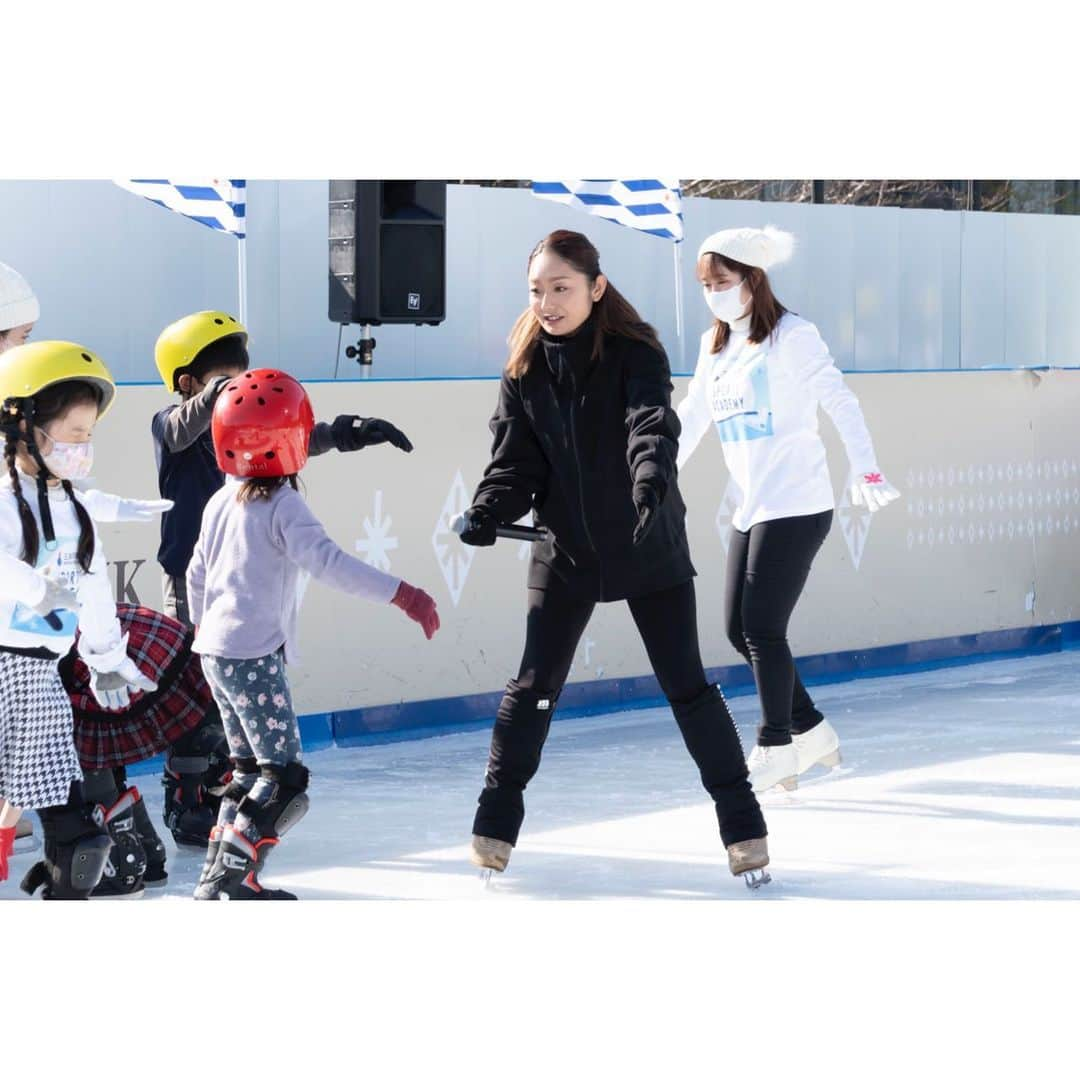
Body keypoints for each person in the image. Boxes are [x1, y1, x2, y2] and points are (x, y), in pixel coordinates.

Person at [455, 229, 769, 888]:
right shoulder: (525, 366)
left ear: (596, 289)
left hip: (644, 538)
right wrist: (489, 509)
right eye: (537, 290)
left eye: (561, 288)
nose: (547, 302)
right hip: (563, 549)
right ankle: (492, 830)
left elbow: (649, 422)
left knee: (686, 685)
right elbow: (514, 460)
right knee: (532, 688)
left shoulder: (634, 351)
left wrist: (650, 478)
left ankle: (744, 830)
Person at [151, 310, 414, 849]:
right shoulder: (169, 425)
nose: (236, 395)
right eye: (222, 380)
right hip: (191, 581)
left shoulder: (254, 444)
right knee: (198, 696)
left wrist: (349, 432)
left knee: (234, 709)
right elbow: (182, 428)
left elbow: (294, 438)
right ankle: (185, 800)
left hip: (240, 586)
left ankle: (231, 798)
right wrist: (221, 394)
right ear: (186, 383)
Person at [188, 368, 441, 899]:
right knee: (284, 779)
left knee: (247, 767)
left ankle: (218, 874)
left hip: (215, 652)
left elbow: (196, 574)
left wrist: (206, 630)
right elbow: (330, 564)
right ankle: (232, 881)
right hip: (252, 656)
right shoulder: (282, 505)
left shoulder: (221, 500)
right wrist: (404, 594)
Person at [676, 226, 900, 794]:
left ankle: (776, 744)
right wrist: (651, 476)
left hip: (798, 501)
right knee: (736, 629)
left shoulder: (793, 336)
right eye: (705, 285)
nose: (713, 294)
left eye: (721, 282)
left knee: (762, 627)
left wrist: (866, 466)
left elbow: (839, 400)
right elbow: (694, 415)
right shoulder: (715, 346)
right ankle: (810, 727)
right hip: (750, 504)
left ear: (752, 279)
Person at [0, 261, 172, 862]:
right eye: (15, 336)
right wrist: (32, 587)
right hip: (9, 654)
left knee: (37, 772)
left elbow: (88, 571)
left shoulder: (62, 497)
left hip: (40, 664)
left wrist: (106, 656)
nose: (19, 345)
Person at [60, 602, 217, 896]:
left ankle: (123, 866)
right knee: (89, 750)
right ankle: (147, 854)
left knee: (80, 753)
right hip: (103, 639)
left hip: (100, 650)